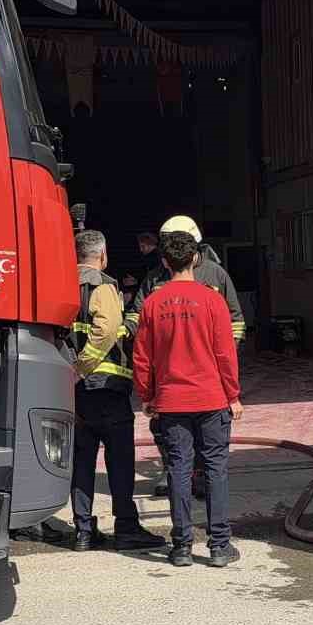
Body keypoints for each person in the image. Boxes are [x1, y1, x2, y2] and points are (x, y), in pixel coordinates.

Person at [132, 230, 242, 568]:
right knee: (215, 470)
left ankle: (181, 547)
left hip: (171, 402)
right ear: (195, 259)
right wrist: (233, 395)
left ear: (165, 262)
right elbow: (225, 354)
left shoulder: (153, 303)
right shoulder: (212, 300)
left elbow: (142, 356)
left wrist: (147, 396)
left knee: (178, 470)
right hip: (211, 399)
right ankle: (219, 546)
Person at [125, 215, 246, 497]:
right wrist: (125, 330)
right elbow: (138, 315)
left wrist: (228, 351)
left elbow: (235, 320)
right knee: (163, 429)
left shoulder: (216, 275)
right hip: (168, 373)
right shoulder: (155, 277)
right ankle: (172, 471)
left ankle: (199, 475)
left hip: (208, 372)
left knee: (207, 433)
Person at [67, 230, 164, 553]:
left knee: (82, 461)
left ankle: (83, 530)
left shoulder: (62, 284)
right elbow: (107, 328)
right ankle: (126, 527)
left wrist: (70, 374)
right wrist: (83, 367)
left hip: (74, 391)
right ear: (103, 255)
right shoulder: (102, 285)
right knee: (120, 461)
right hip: (106, 388)